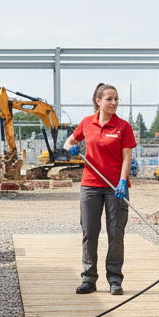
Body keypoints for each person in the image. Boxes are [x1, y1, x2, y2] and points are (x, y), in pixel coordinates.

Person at [63, 84, 137, 295]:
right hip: (91, 186)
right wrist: (72, 148)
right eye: (109, 99)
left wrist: (123, 181)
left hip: (116, 187)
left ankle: (114, 279)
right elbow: (68, 142)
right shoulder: (87, 123)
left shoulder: (123, 127)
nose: (114, 103)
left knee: (115, 233)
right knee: (90, 232)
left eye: (116, 99)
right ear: (98, 101)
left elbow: (126, 157)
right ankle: (89, 278)